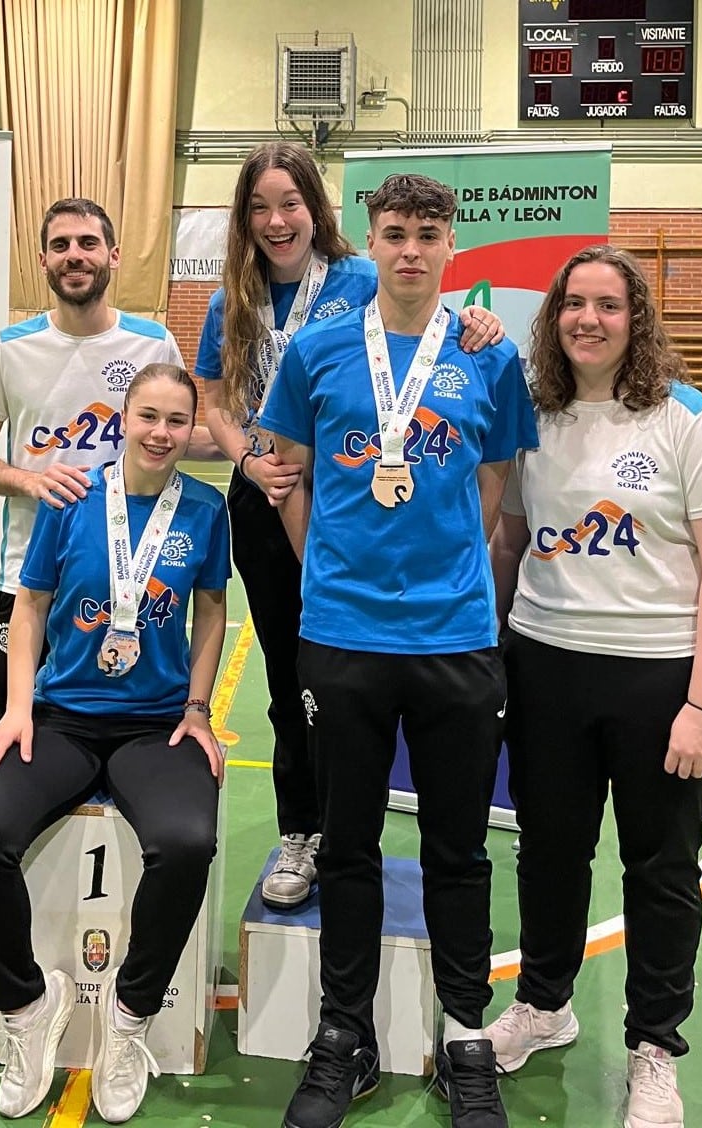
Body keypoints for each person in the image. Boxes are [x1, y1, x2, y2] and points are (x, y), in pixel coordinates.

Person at [261, 172, 538, 1128]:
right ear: (368, 243)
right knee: (348, 846)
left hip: (456, 636)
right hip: (341, 637)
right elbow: (283, 474)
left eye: (428, 233)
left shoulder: (486, 358)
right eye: (394, 232)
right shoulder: (320, 351)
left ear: (451, 245)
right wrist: (332, 567)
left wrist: (447, 566)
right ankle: (345, 1036)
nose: (411, 249)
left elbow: (494, 484)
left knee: (457, 848)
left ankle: (466, 1036)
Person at [196, 143, 503, 910]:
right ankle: (304, 830)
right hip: (265, 500)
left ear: (319, 213)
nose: (276, 221)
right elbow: (212, 396)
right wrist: (249, 462)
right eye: (260, 207)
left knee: (347, 680)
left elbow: (427, 319)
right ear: (245, 218)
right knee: (291, 679)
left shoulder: (363, 276)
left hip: (351, 507)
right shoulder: (229, 296)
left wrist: (477, 321)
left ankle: (347, 830)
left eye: (290, 204)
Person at [487, 245, 702, 1128]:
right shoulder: (537, 413)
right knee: (551, 851)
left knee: (660, 867)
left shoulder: (688, 421)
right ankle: (545, 1003)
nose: (587, 320)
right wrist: (490, 650)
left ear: (636, 320)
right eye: (573, 304)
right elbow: (512, 541)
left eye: (607, 305)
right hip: (548, 665)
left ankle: (654, 1048)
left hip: (662, 677)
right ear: (553, 317)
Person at [0, 364, 231, 1122]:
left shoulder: (205, 509)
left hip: (153, 725)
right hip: (64, 718)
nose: (162, 433)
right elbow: (30, 605)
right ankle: (27, 1007)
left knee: (185, 841)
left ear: (189, 428)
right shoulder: (73, 503)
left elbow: (211, 612)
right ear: (124, 420)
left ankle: (129, 1020)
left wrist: (198, 709)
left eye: (177, 420)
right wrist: (16, 710)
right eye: (148, 416)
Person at [0, 197, 219, 736]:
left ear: (114, 255)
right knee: (16, 742)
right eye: (60, 246)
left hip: (135, 575)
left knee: (134, 743)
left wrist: (256, 448)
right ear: (42, 260)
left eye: (88, 243)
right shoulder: (9, 349)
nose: (74, 256)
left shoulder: (152, 343)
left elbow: (168, 436)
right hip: (28, 578)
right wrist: (30, 479)